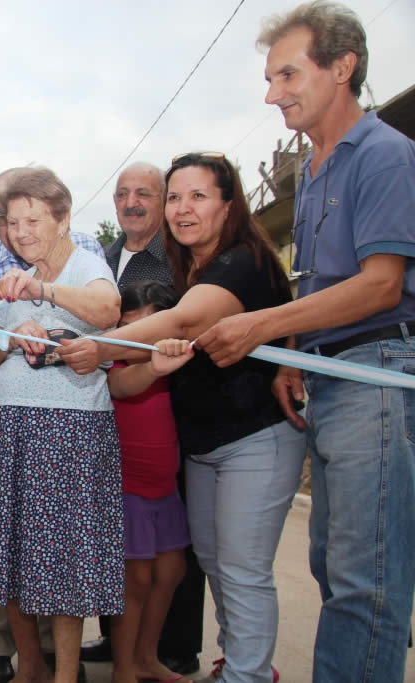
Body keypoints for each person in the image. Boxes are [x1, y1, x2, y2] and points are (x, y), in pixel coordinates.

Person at [197, 3, 415, 681]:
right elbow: (316, 283)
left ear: (342, 67)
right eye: (269, 78)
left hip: (376, 374)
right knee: (333, 566)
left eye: (287, 74)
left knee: (364, 580)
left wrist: (260, 329)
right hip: (328, 376)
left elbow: (381, 285)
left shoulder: (384, 155)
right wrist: (294, 350)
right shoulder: (316, 169)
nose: (272, 94)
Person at [60, 152, 305, 683]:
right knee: (216, 565)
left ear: (228, 204)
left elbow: (185, 317)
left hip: (254, 436)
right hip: (200, 443)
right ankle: (237, 664)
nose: (182, 208)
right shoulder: (184, 262)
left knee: (240, 572)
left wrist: (97, 345)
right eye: (175, 197)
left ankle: (247, 674)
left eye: (198, 196)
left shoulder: (238, 260)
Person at [0, 167, 123, 683]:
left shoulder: (85, 265)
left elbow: (108, 309)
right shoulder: (6, 284)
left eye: (34, 219)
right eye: (12, 221)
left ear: (63, 217)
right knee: (11, 555)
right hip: (10, 428)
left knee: (66, 564)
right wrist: (10, 336)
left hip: (71, 431)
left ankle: (65, 675)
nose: (22, 231)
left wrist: (44, 293)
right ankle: (29, 663)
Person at [83, 162, 205, 678]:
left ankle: (170, 648)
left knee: (174, 562)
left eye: (145, 194)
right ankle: (123, 652)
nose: (132, 203)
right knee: (131, 565)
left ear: (162, 202)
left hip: (176, 415)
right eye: (122, 194)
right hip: (119, 426)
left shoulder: (179, 260)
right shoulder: (102, 260)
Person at [105, 281, 192, 683]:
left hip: (166, 487)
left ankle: (146, 657)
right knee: (135, 581)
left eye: (152, 326)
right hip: (128, 486)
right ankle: (123, 668)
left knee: (171, 572)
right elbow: (126, 385)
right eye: (131, 327)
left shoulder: (182, 366)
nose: (144, 337)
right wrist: (152, 364)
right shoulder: (119, 368)